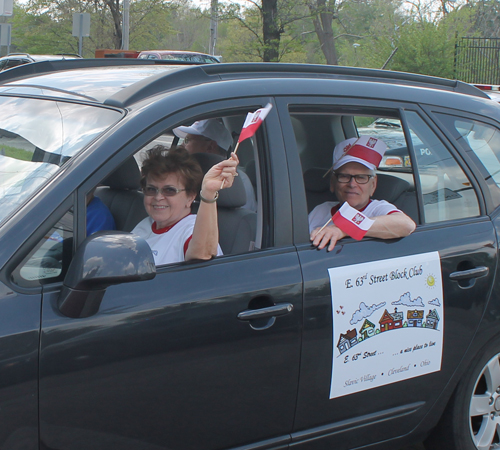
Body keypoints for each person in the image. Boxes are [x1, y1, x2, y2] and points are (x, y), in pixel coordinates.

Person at [132, 145, 239, 265]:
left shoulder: (191, 230)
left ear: (190, 197)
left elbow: (203, 256)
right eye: (151, 189)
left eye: (169, 190)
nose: (158, 197)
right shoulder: (144, 226)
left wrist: (208, 193)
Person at [309, 135, 416, 251]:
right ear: (332, 183)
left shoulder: (377, 208)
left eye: (361, 177)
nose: (352, 184)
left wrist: (344, 228)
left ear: (373, 185)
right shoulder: (320, 210)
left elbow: (406, 225)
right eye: (344, 176)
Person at [173, 119, 257, 212]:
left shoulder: (237, 180)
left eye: (187, 140)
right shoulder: (185, 174)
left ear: (210, 146)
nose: (181, 145)